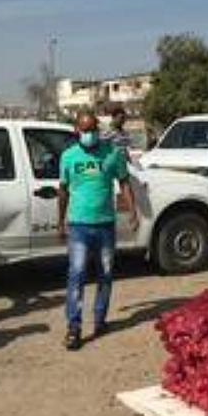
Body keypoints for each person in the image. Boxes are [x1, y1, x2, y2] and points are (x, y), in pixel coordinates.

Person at [58, 111, 139, 350]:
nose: (89, 134)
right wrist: (60, 221)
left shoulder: (112, 154)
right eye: (85, 130)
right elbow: (62, 190)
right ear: (77, 131)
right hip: (78, 225)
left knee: (105, 273)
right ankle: (74, 327)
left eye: (93, 129)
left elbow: (124, 182)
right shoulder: (68, 157)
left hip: (105, 224)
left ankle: (100, 319)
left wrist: (132, 210)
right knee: (77, 273)